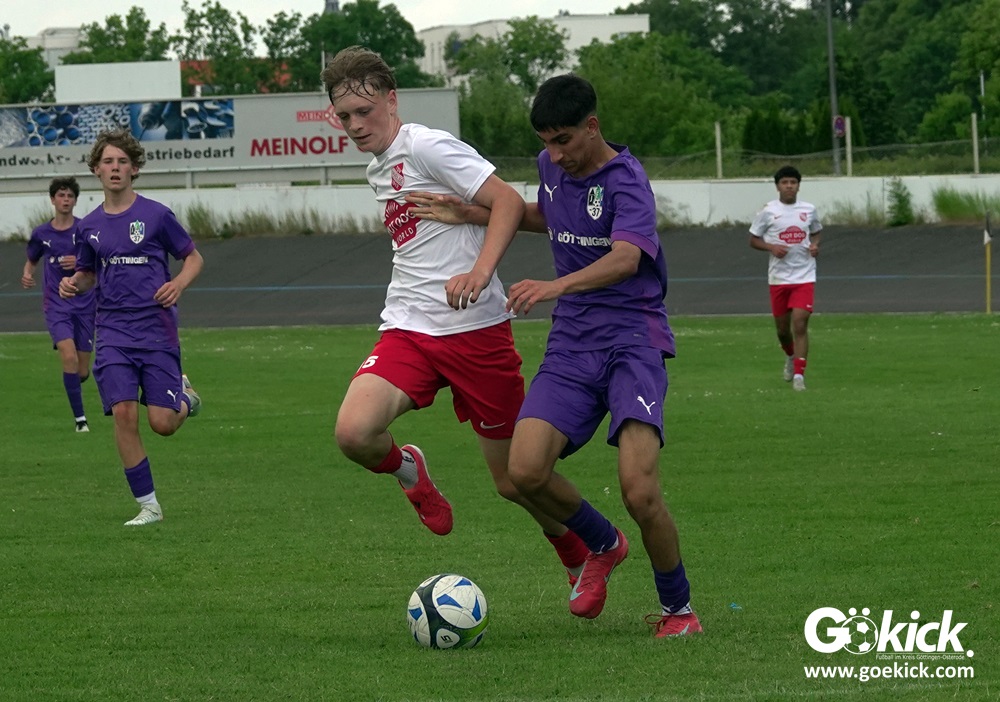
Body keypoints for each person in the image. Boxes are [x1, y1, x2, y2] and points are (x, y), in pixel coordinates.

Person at [406, 74, 701, 638]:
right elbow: (552, 216)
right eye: (546, 142)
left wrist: (553, 286)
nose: (555, 154)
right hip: (572, 342)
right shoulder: (552, 167)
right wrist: (470, 213)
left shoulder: (627, 181)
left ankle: (679, 610)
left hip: (633, 342)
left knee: (640, 490)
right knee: (523, 470)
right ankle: (604, 543)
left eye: (563, 140)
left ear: (592, 126)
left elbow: (627, 257)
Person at [319, 46, 591, 583]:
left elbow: (506, 200)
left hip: (476, 332)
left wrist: (480, 271)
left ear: (391, 100)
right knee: (354, 433)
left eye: (364, 111)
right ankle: (409, 470)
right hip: (409, 327)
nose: (355, 125)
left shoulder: (427, 146)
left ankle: (575, 550)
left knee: (514, 482)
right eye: (344, 116)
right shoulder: (378, 166)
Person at [59, 128, 204, 526]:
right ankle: (149, 506)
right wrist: (74, 283)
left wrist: (178, 283)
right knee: (124, 413)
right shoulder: (88, 226)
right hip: (112, 333)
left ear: (134, 169)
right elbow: (88, 274)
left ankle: (186, 398)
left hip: (157, 331)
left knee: (162, 424)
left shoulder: (157, 215)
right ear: (96, 169)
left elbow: (193, 258)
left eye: (122, 161)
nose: (115, 167)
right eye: (108, 161)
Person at [21, 176, 96, 432]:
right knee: (68, 356)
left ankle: (73, 381)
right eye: (61, 196)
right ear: (52, 200)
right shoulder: (41, 233)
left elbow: (98, 262)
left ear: (75, 201)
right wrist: (27, 273)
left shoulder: (85, 229)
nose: (66, 200)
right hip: (56, 305)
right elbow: (32, 259)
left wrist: (79, 262)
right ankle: (80, 421)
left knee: (81, 371)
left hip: (85, 304)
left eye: (70, 196)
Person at [749, 165, 823, 391]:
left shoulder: (809, 210)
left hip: (804, 275)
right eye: (785, 182)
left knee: (800, 323)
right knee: (783, 330)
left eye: (793, 182)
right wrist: (771, 247)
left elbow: (816, 232)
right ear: (778, 186)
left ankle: (799, 376)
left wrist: (815, 245)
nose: (789, 186)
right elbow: (753, 239)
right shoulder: (768, 211)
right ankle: (790, 355)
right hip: (779, 278)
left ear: (798, 186)